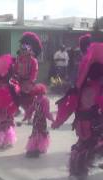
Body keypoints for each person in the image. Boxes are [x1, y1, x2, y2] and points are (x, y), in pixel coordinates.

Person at [52, 31, 103, 179]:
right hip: (91, 129)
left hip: (85, 129)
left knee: (82, 149)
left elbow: (68, 107)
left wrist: (58, 121)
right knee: (86, 150)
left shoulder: (80, 88)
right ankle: (79, 172)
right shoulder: (93, 89)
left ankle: (78, 172)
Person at [13, 32, 42, 123]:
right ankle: (18, 112)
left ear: (29, 50)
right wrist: (15, 78)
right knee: (17, 97)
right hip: (19, 81)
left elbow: (34, 72)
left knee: (29, 101)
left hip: (29, 83)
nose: (23, 51)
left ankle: (30, 117)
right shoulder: (18, 59)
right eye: (22, 50)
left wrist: (30, 82)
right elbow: (15, 69)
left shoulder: (33, 61)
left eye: (25, 50)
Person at [23, 83, 54, 158]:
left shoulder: (36, 99)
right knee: (42, 133)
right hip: (41, 120)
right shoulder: (45, 100)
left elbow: (30, 109)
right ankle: (40, 148)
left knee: (35, 133)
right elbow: (46, 112)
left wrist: (27, 116)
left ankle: (35, 147)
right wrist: (52, 119)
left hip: (36, 119)